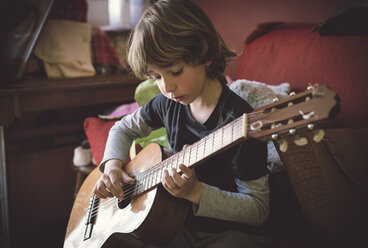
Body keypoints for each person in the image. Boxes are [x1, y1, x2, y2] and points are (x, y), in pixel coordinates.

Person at [93, 0, 273, 247]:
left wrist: (196, 192)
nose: (167, 87)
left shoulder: (240, 121)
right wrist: (112, 166)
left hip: (231, 233)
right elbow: (122, 128)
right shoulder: (167, 103)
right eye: (156, 77)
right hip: (176, 224)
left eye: (175, 71)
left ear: (206, 55)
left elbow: (258, 208)